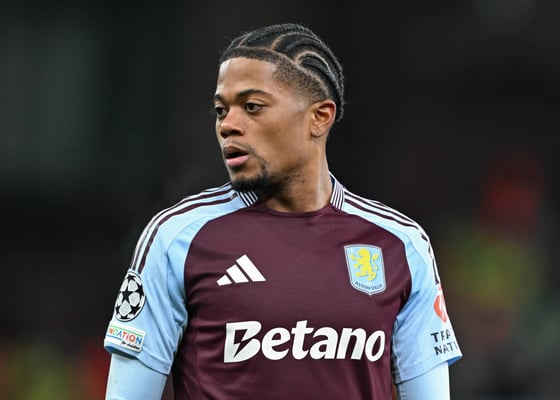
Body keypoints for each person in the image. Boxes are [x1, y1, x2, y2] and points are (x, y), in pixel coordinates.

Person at [103, 23, 462, 399]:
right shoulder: (178, 237)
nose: (228, 126)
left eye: (252, 107)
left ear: (320, 117)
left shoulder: (400, 244)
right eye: (221, 110)